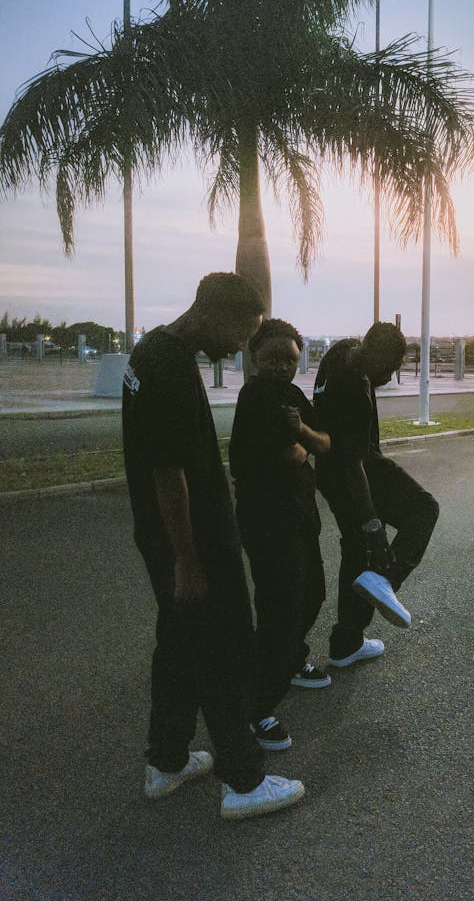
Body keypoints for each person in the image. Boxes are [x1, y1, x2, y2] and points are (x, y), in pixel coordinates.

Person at [122, 272, 304, 820]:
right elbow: (167, 472)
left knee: (179, 646)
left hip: (165, 536)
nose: (242, 346)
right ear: (215, 314)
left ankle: (167, 761)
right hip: (193, 543)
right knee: (227, 651)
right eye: (242, 333)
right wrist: (188, 561)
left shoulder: (150, 350)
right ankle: (244, 783)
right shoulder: (172, 367)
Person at [229, 319, 331, 752]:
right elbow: (292, 454)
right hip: (268, 522)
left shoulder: (292, 396)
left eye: (290, 358)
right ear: (255, 358)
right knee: (279, 612)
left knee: (313, 595)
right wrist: (302, 441)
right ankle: (255, 709)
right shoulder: (255, 396)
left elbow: (322, 443)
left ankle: (287, 660)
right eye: (273, 357)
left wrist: (302, 433)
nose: (282, 366)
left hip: (299, 516)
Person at [313, 322, 440, 667]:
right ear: (375, 354)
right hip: (355, 469)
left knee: (357, 552)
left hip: (327, 471)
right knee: (424, 510)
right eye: (389, 368)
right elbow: (355, 464)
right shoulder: (354, 388)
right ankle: (386, 579)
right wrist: (372, 522)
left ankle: (346, 644)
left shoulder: (340, 351)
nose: (390, 376)